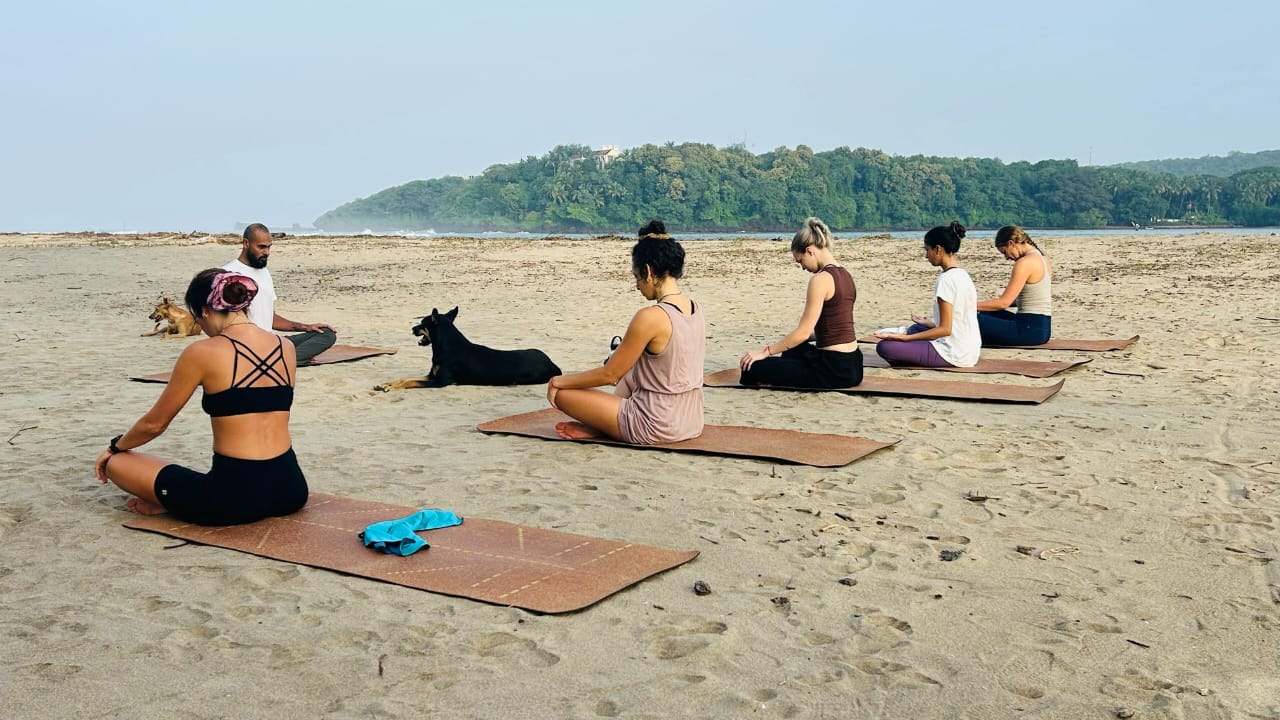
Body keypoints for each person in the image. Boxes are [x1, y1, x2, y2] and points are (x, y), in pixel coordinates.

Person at [94, 269, 309, 525]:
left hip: (232, 500)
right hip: (291, 490)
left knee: (117, 464)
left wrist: (114, 447)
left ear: (205, 311)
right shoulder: (286, 346)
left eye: (197, 318)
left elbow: (154, 425)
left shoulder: (202, 352)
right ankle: (173, 500)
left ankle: (170, 502)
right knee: (184, 481)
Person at [546, 220, 705, 444]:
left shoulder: (651, 316)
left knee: (564, 395)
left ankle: (603, 427)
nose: (637, 285)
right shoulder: (695, 308)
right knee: (632, 374)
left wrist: (558, 381)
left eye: (637, 277)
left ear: (648, 272)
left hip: (656, 425)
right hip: (691, 420)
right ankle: (603, 425)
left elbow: (610, 374)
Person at [738, 217, 863, 388]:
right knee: (793, 349)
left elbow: (803, 333)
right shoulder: (846, 275)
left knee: (752, 368)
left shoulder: (820, 280)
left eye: (800, 261)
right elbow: (832, 328)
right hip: (854, 365)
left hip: (833, 370)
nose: (803, 267)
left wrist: (765, 352)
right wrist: (788, 342)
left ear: (809, 251)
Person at [225, 223, 336, 363]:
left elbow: (270, 317)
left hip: (270, 342)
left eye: (269, 247)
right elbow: (226, 323)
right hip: (247, 346)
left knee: (327, 334)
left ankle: (285, 359)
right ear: (246, 243)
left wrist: (306, 327)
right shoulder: (228, 274)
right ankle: (286, 360)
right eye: (261, 247)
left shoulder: (264, 272)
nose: (267, 252)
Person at [874, 221, 981, 368]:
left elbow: (945, 329)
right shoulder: (963, 275)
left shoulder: (945, 280)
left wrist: (907, 339)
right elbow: (958, 318)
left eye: (927, 250)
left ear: (938, 249)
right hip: (970, 349)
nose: (926, 256)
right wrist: (930, 324)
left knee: (885, 347)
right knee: (916, 328)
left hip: (954, 353)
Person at [976, 225, 1052, 346]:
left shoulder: (1025, 263)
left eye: (1004, 252)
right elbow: (1023, 300)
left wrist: (968, 306)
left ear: (1011, 243)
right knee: (985, 313)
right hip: (1042, 328)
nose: (1006, 258)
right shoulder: (1042, 257)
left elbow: (1003, 303)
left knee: (971, 317)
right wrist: (985, 306)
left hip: (1029, 330)